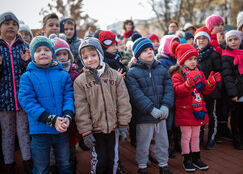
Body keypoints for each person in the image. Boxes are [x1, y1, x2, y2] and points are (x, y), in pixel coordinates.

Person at [74, 37, 132, 173]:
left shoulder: (115, 76)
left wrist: (124, 124)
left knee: (112, 159)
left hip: (113, 127)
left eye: (93, 55)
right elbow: (81, 108)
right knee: (100, 160)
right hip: (95, 129)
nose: (90, 59)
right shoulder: (80, 81)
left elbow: (123, 101)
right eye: (86, 57)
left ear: (100, 54)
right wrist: (86, 131)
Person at [18, 36, 74, 173]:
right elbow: (27, 101)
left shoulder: (63, 76)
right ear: (32, 56)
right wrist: (50, 119)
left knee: (65, 163)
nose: (42, 52)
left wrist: (67, 116)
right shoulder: (27, 77)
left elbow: (69, 97)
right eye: (38, 51)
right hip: (40, 131)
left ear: (52, 54)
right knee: (41, 166)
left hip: (62, 128)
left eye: (46, 49)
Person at [169, 42, 221, 172]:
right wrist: (187, 84)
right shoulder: (177, 74)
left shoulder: (199, 72)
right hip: (185, 111)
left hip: (198, 110)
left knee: (196, 136)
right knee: (186, 136)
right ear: (182, 60)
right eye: (189, 59)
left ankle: (196, 158)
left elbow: (204, 89)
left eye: (194, 59)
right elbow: (177, 91)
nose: (193, 62)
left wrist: (210, 83)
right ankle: (187, 159)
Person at [125, 37, 174, 174]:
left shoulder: (162, 69)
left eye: (151, 49)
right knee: (143, 143)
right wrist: (151, 109)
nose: (149, 52)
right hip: (145, 116)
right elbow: (136, 95)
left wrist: (165, 105)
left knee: (163, 141)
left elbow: (169, 88)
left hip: (161, 115)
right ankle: (142, 166)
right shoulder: (132, 73)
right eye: (145, 50)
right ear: (138, 54)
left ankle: (163, 165)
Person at [0, 11, 32, 173]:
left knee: (24, 132)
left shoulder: (24, 46)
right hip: (3, 101)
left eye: (14, 24)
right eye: (7, 23)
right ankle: (9, 165)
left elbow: (32, 72)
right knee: (7, 134)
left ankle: (28, 163)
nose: (11, 26)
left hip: (22, 100)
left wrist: (27, 63)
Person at [52, 35, 81, 173]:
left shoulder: (74, 73)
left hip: (71, 115)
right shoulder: (51, 73)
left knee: (70, 146)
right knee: (57, 148)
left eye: (65, 53)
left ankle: (72, 166)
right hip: (56, 115)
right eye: (58, 54)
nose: (63, 57)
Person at [194, 26, 222, 149]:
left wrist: (216, 87)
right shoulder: (194, 55)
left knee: (211, 115)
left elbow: (219, 72)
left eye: (204, 38)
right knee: (199, 114)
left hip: (212, 91)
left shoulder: (214, 55)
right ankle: (199, 137)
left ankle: (212, 137)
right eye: (199, 38)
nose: (201, 41)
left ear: (208, 40)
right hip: (198, 92)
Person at [156, 35, 180, 158]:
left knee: (177, 121)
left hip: (179, 97)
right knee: (168, 123)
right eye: (173, 43)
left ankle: (177, 143)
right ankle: (168, 145)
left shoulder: (178, 58)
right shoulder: (162, 61)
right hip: (168, 97)